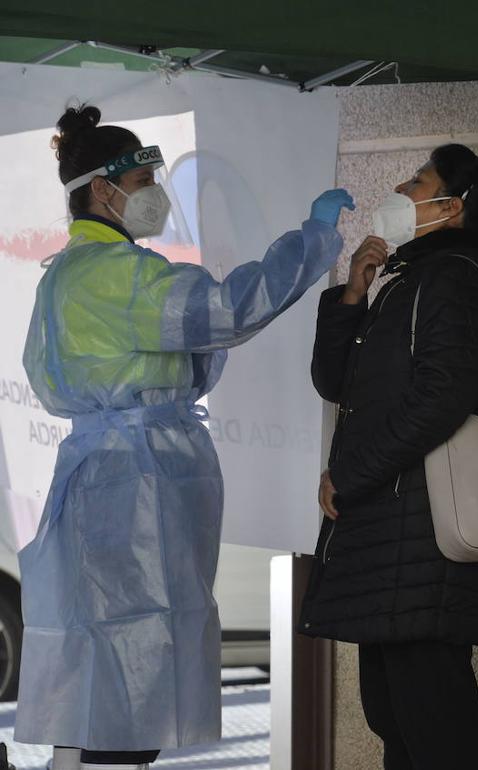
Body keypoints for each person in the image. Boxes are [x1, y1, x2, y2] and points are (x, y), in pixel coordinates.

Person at [18, 105, 352, 770]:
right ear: (101, 189)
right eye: (142, 181)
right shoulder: (117, 276)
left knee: (99, 678)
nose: (153, 195)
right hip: (131, 487)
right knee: (125, 682)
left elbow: (187, 348)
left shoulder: (68, 274)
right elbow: (225, 312)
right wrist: (313, 239)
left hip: (106, 478)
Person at [298, 144, 478, 770]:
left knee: (431, 721)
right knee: (394, 715)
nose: (400, 188)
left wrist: (348, 475)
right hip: (390, 536)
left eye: (416, 181)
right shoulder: (411, 278)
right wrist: (352, 295)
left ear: (451, 207)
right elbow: (335, 380)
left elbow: (441, 398)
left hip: (420, 533)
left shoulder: (452, 277)